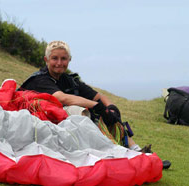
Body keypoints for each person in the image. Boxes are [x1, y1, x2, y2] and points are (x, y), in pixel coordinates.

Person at [20, 41, 171, 169]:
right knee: (80, 111)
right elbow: (63, 99)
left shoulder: (69, 80)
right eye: (54, 58)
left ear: (69, 60)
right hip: (37, 123)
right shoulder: (40, 80)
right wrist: (97, 107)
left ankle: (136, 151)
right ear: (46, 60)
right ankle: (117, 154)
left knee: (109, 114)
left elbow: (99, 96)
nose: (59, 63)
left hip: (58, 123)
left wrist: (111, 108)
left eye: (63, 59)